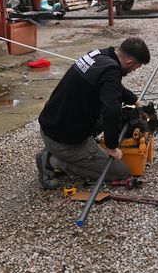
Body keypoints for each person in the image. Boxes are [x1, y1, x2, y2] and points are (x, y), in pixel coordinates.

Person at [36, 37, 151, 189]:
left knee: (118, 113)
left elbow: (113, 86)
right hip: (64, 141)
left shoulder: (100, 55)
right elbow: (111, 111)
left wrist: (135, 100)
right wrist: (111, 147)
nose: (133, 71)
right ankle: (53, 160)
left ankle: (61, 152)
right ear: (129, 62)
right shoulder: (111, 71)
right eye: (135, 68)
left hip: (52, 124)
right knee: (121, 171)